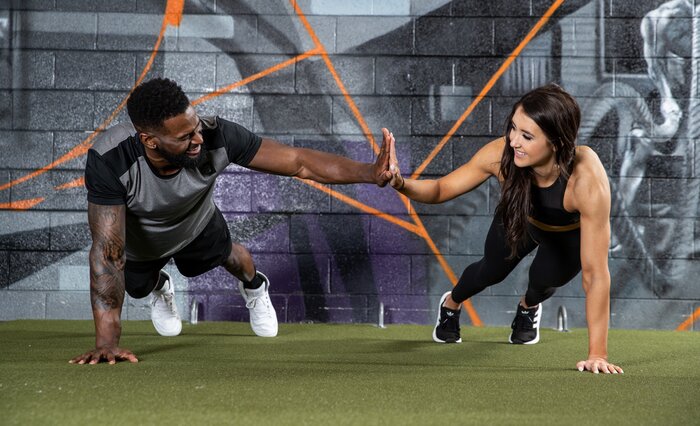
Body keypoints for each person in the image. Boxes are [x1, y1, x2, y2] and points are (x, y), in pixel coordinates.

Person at [70, 77, 393, 365]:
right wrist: (107, 344)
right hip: (141, 241)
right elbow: (109, 251)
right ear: (150, 140)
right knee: (136, 287)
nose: (197, 139)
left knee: (233, 257)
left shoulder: (216, 134)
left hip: (195, 223)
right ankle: (161, 287)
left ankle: (255, 287)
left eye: (195, 127)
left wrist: (368, 172)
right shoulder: (110, 159)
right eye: (184, 137)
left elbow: (299, 163)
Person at [386, 84, 624, 374]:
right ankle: (451, 303)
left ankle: (528, 307)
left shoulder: (586, 180)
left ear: (556, 142)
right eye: (513, 128)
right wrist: (400, 183)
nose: (513, 141)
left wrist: (597, 354)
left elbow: (596, 275)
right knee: (490, 271)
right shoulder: (502, 155)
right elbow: (439, 189)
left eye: (526, 136)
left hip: (566, 236)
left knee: (542, 281)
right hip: (520, 218)